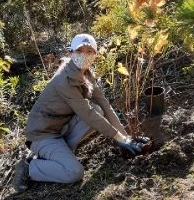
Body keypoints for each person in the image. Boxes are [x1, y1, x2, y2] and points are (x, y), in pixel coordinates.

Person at [12, 33, 149, 192]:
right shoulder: (63, 80)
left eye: (89, 51)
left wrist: (126, 137)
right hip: (43, 134)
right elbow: (87, 114)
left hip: (61, 127)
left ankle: (58, 155)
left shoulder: (86, 74)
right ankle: (30, 167)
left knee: (99, 109)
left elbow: (104, 104)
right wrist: (118, 138)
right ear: (71, 53)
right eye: (79, 51)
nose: (84, 55)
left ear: (95, 55)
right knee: (74, 172)